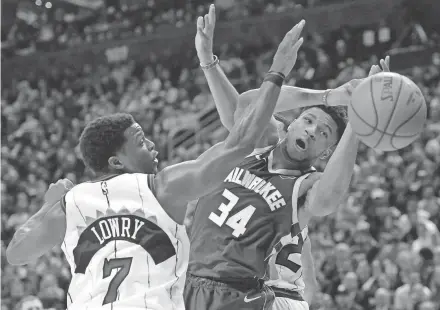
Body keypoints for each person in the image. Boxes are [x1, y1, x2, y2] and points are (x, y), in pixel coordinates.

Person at [5, 18, 304, 309]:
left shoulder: (72, 203)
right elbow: (241, 143)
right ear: (116, 161)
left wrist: (49, 204)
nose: (151, 145)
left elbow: (16, 253)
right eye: (139, 141)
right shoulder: (163, 187)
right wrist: (276, 72)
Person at [184, 4, 391, 310]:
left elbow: (329, 198)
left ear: (327, 152)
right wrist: (327, 96)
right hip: (197, 280)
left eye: (323, 133)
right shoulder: (260, 142)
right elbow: (246, 105)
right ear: (288, 122)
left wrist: (357, 123)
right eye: (307, 121)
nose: (311, 131)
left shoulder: (307, 184)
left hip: (258, 294)